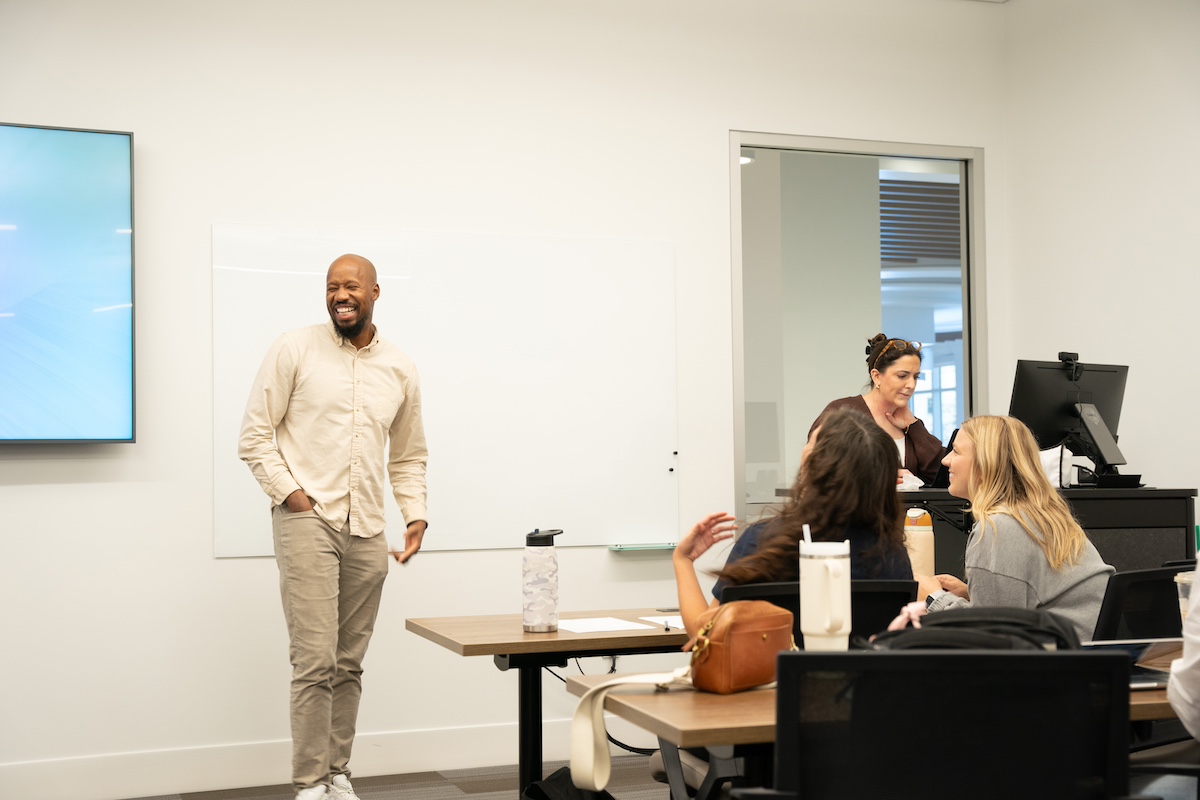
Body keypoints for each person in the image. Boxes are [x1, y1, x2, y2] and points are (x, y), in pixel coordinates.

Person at [238, 254, 428, 800]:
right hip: (309, 522)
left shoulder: (400, 366)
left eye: (350, 286)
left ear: (374, 291)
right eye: (330, 287)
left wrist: (414, 512)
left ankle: (337, 773)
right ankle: (309, 784)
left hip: (368, 526)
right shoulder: (294, 348)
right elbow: (254, 435)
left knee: (348, 664)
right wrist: (293, 497)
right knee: (314, 661)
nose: (340, 295)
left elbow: (409, 454)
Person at [674, 408, 913, 637]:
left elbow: (704, 634)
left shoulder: (764, 541)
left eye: (810, 441)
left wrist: (683, 560)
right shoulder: (892, 555)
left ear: (813, 466)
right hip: (863, 680)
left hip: (774, 679)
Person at [918, 415, 1113, 642]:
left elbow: (990, 639)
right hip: (1089, 657)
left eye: (957, 452)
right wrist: (973, 593)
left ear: (986, 464)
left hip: (1057, 666)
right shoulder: (1043, 516)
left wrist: (933, 599)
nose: (945, 461)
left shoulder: (998, 528)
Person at [810, 333, 946, 485]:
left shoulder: (908, 426)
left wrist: (914, 426)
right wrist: (881, 478)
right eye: (902, 376)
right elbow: (818, 471)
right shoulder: (842, 412)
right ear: (876, 376)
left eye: (915, 377)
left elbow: (941, 475)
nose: (911, 385)